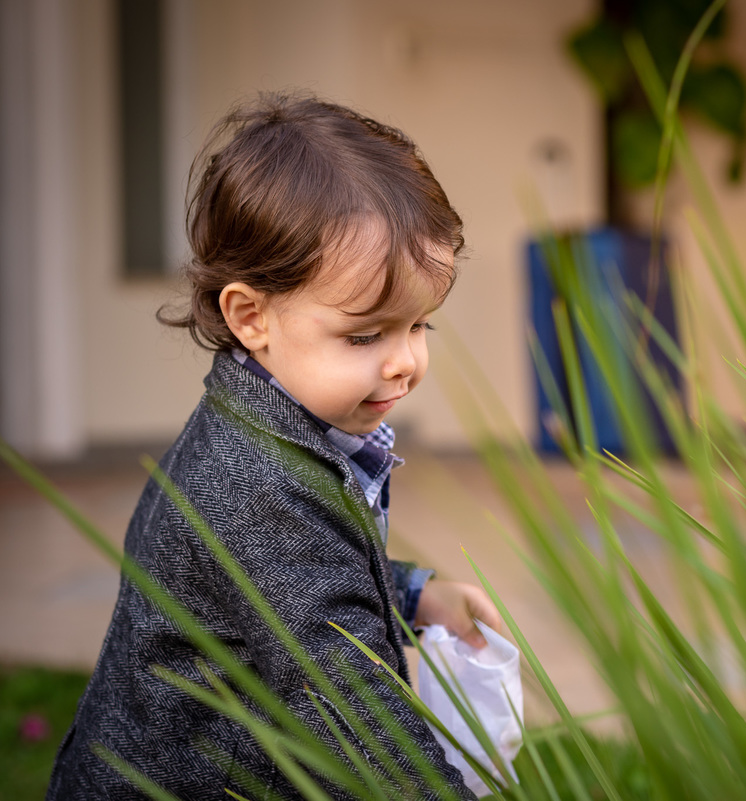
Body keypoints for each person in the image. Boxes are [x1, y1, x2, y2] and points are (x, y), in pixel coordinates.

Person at [47, 93, 499, 800]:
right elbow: (357, 714)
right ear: (251, 316)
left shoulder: (283, 430)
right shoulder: (257, 482)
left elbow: (307, 576)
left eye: (421, 326)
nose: (406, 359)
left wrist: (411, 594)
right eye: (366, 334)